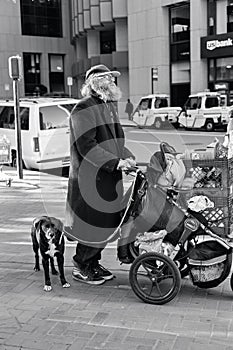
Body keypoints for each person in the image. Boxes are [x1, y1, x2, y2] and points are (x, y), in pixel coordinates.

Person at [64, 64, 136, 285]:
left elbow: (115, 142)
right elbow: (88, 146)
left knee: (105, 223)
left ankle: (93, 263)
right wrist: (116, 163)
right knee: (92, 224)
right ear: (97, 83)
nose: (114, 83)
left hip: (108, 178)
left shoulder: (107, 106)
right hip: (90, 181)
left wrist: (127, 157)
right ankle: (82, 264)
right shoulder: (83, 108)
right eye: (110, 79)